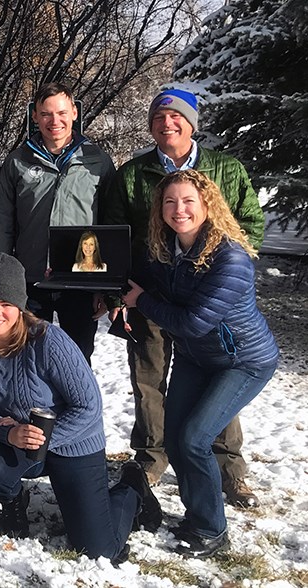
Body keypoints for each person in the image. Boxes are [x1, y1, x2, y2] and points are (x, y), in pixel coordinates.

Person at [102, 89, 265, 505]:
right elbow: (116, 235)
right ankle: (152, 457)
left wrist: (230, 276)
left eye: (176, 117)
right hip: (148, 293)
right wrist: (122, 292)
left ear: (192, 124)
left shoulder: (225, 169)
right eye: (159, 117)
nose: (167, 124)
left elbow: (249, 222)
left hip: (204, 298)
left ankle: (229, 466)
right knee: (148, 378)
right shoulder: (132, 174)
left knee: (217, 376)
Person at [0, 252, 160, 563]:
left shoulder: (48, 341)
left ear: (20, 306)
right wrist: (8, 435)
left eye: (6, 304)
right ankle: (13, 500)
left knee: (99, 550)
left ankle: (131, 486)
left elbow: (89, 405)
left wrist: (44, 440)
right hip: (18, 441)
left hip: (74, 442)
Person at [121, 170, 277, 557]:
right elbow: (134, 278)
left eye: (188, 201)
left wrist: (140, 302)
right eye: (170, 202)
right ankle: (197, 515)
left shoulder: (231, 258)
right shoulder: (167, 247)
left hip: (242, 361)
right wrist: (93, 285)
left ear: (207, 205)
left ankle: (212, 530)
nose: (179, 210)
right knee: (175, 437)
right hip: (196, 356)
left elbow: (192, 321)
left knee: (195, 439)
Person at [0, 82, 115, 363]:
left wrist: (104, 285)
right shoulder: (18, 161)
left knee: (78, 357)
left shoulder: (97, 160)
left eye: (61, 112)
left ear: (74, 113)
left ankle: (79, 406)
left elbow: (111, 222)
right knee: (27, 354)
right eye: (46, 114)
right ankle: (32, 407)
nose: (54, 121)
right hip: (31, 278)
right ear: (35, 116)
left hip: (81, 277)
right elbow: (2, 222)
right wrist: (4, 275)